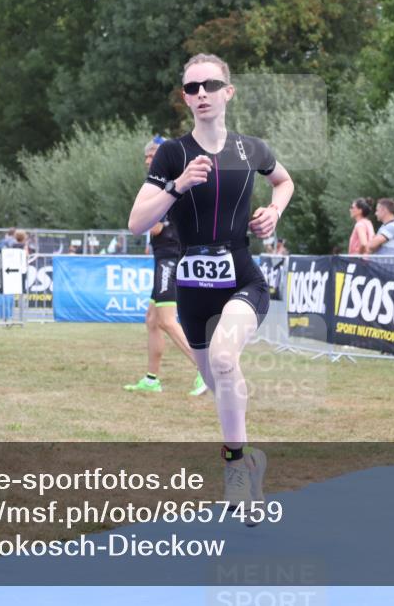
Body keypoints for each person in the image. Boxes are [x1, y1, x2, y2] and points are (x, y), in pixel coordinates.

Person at [128, 53, 294, 519]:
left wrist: (274, 211)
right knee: (217, 376)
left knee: (223, 359)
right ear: (185, 97)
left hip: (242, 276)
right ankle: (249, 458)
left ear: (228, 92)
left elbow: (284, 182)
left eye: (210, 84)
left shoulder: (251, 149)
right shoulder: (172, 154)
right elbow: (137, 221)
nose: (201, 93)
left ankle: (236, 469)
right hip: (192, 290)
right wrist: (177, 186)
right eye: (192, 87)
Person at [126, 136, 207, 396]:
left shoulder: (166, 187)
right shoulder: (168, 185)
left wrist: (143, 215)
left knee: (167, 320)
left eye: (152, 156)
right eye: (147, 157)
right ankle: (152, 379)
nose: (148, 161)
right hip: (166, 256)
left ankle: (206, 371)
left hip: (170, 257)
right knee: (152, 319)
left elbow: (154, 226)